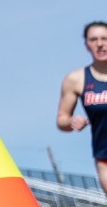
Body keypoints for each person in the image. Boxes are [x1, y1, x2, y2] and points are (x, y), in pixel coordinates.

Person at [57, 20, 107, 188]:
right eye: (93, 40)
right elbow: (61, 119)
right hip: (104, 156)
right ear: (86, 45)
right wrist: (71, 122)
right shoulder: (76, 80)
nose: (100, 44)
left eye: (104, 38)